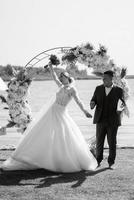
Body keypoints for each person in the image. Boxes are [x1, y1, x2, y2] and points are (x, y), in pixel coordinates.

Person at [1, 61, 97, 172]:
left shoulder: (72, 89)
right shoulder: (61, 86)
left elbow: (78, 101)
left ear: (67, 77)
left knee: (63, 135)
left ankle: (61, 159)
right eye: (60, 77)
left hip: (61, 113)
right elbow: (54, 77)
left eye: (62, 77)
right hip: (52, 111)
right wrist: (51, 67)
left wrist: (85, 111)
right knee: (42, 133)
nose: (60, 79)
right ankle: (39, 156)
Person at [90, 70, 126, 169]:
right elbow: (93, 99)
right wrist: (92, 103)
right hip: (100, 119)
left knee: (112, 142)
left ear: (111, 78)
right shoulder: (98, 88)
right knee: (99, 141)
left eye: (105, 78)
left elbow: (122, 104)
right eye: (103, 78)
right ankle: (98, 161)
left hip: (113, 120)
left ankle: (111, 162)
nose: (103, 80)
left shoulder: (119, 90)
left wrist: (120, 109)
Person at [0, 68, 32, 134]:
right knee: (22, 122)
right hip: (15, 105)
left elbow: (21, 95)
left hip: (19, 106)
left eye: (22, 74)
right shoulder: (14, 82)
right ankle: (4, 130)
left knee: (24, 122)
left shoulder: (24, 85)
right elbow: (11, 91)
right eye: (20, 74)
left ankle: (4, 130)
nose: (20, 75)